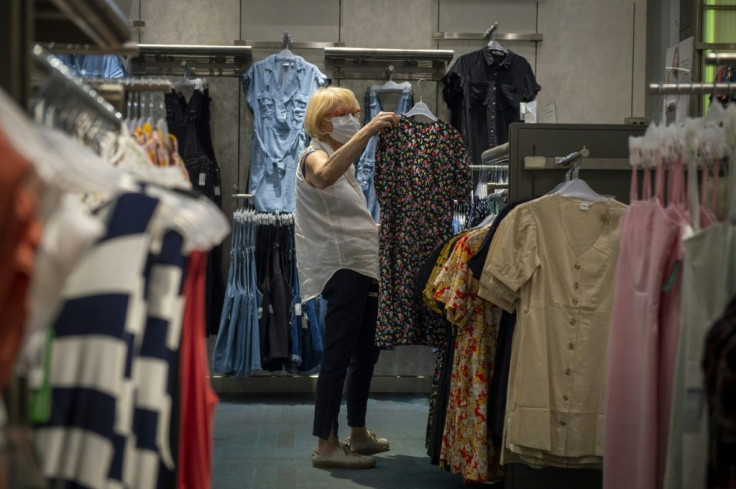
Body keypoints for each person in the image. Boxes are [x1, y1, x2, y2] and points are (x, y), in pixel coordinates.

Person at [295, 86, 399, 469]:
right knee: (339, 356)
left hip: (363, 265)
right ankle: (325, 445)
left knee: (364, 356)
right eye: (346, 112)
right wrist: (368, 130)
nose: (353, 117)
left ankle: (356, 432)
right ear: (325, 121)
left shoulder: (344, 160)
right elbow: (322, 177)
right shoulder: (312, 155)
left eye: (356, 112)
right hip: (343, 270)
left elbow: (342, 214)